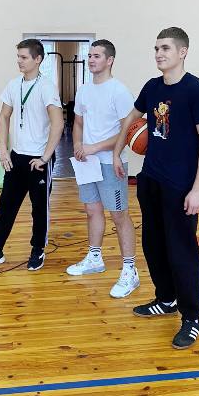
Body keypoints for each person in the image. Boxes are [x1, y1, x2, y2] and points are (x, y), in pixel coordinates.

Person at [113, 27, 199, 350]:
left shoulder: (197, 91)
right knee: (154, 246)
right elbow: (130, 118)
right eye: (156, 48)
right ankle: (166, 299)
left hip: (181, 185)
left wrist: (198, 189)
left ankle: (192, 317)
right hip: (151, 180)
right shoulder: (152, 87)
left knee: (182, 252)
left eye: (165, 48)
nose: (159, 54)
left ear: (182, 52)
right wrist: (117, 151)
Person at [0, 39, 63, 270]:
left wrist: (45, 158)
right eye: (18, 56)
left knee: (39, 209)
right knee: (6, 205)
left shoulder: (46, 87)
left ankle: (38, 250)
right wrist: (2, 149)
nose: (19, 61)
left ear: (37, 59)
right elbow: (4, 116)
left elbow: (58, 124)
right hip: (16, 156)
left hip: (39, 160)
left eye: (24, 57)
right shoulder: (13, 85)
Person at [66, 40, 139, 298]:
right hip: (88, 162)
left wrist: (95, 147)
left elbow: (127, 131)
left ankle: (130, 270)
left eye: (97, 56)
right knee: (92, 211)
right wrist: (78, 144)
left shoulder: (119, 91)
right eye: (90, 55)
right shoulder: (84, 90)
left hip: (110, 163)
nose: (91, 60)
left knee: (119, 215)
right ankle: (95, 258)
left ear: (110, 60)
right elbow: (78, 123)